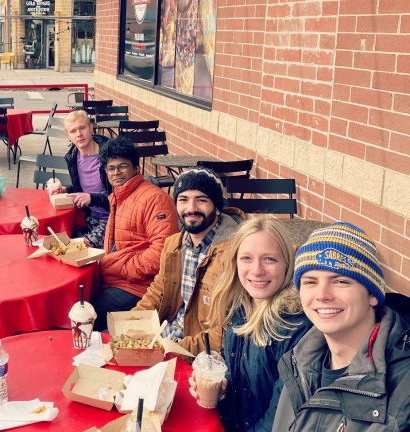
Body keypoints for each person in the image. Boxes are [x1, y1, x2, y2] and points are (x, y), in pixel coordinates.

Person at [272, 222, 410, 431]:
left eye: (341, 282)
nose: (322, 295)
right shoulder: (297, 363)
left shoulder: (404, 390)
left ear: (373, 294)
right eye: (310, 282)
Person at [188, 218, 311, 432]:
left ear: (287, 264)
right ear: (235, 262)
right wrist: (223, 388)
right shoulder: (237, 309)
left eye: (270, 259)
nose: (256, 271)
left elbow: (282, 419)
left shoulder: (295, 328)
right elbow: (239, 378)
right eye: (246, 258)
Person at [133, 167, 244, 355]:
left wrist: (172, 350)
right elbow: (159, 290)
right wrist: (132, 324)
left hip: (200, 355)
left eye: (201, 200)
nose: (191, 209)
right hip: (167, 336)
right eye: (183, 200)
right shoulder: (174, 244)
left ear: (217, 207)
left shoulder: (236, 254)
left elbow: (227, 330)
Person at [92, 136, 179, 331]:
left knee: (86, 314)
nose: (116, 172)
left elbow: (162, 253)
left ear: (137, 169)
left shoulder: (155, 199)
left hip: (140, 288)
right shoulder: (118, 196)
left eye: (123, 166)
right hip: (115, 280)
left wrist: (123, 268)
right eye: (111, 168)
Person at [49, 109, 110, 248]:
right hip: (87, 218)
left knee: (76, 249)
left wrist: (92, 198)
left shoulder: (110, 156)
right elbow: (86, 187)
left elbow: (125, 198)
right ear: (68, 135)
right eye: (73, 131)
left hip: (112, 221)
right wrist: (66, 189)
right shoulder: (73, 157)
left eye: (82, 128)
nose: (79, 134)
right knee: (56, 241)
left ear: (91, 127)